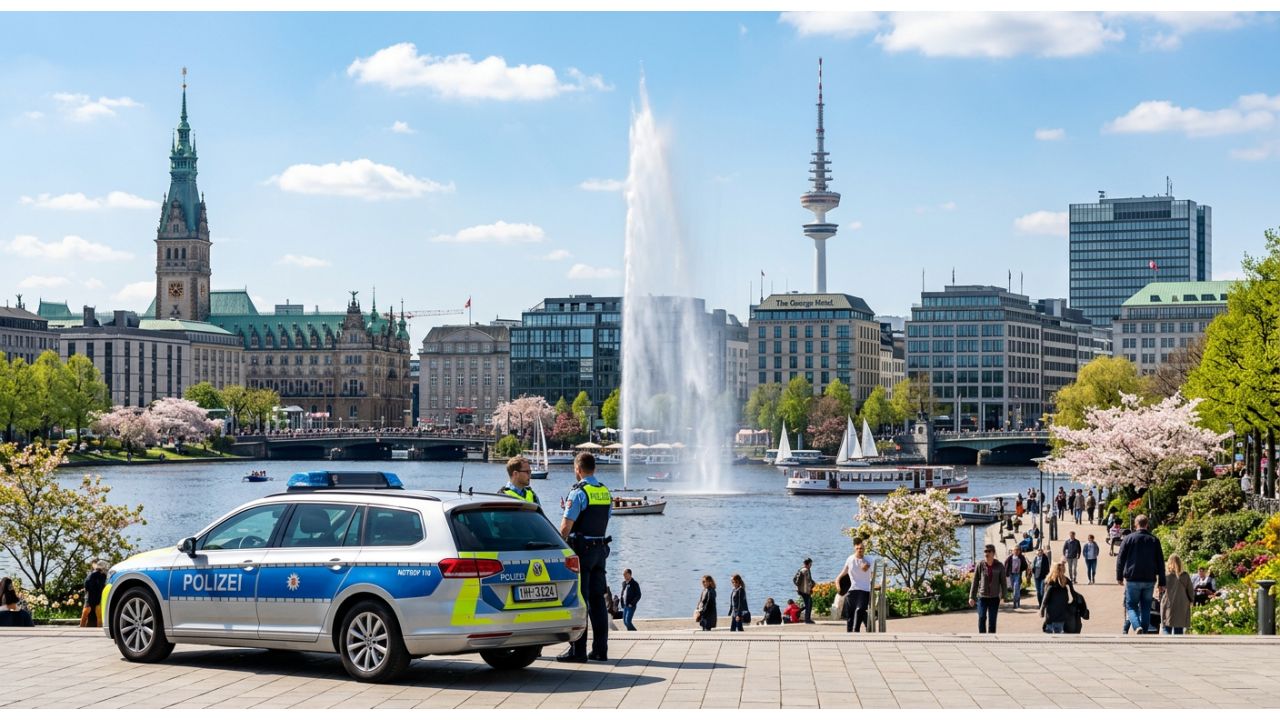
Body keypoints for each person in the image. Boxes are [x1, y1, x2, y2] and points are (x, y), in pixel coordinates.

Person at [558, 452, 611, 662]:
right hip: (600, 550)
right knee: (598, 601)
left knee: (580, 599)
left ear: (578, 470)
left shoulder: (578, 492)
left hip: (581, 552)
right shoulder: (604, 491)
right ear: (594, 469)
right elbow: (606, 517)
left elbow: (565, 527)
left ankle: (577, 650)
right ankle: (600, 649)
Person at [1116, 514, 1166, 635]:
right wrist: (1162, 582)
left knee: (1131, 605)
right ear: (1147, 524)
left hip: (1133, 578)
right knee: (1146, 606)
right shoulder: (1154, 540)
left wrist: (1119, 576)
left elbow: (1120, 558)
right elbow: (1160, 562)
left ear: (1135, 524)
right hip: (1149, 579)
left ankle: (1137, 626)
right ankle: (1143, 632)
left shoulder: (1128, 539)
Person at [836, 540, 874, 632]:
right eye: (857, 548)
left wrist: (865, 564)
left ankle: (856, 630)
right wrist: (837, 582)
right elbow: (843, 572)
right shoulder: (850, 559)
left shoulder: (869, 559)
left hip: (864, 590)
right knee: (850, 614)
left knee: (860, 609)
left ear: (864, 549)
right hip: (852, 590)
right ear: (854, 548)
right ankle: (849, 632)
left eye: (861, 548)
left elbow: (867, 568)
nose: (859, 550)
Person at [969, 544, 1007, 634]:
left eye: (989, 551)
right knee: (982, 617)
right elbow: (975, 582)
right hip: (982, 597)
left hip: (994, 598)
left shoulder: (999, 566)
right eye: (985, 551)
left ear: (993, 553)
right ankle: (982, 638)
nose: (987, 553)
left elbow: (1003, 583)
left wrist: (1004, 596)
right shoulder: (980, 565)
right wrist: (971, 597)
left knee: (992, 620)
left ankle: (991, 639)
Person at [1160, 554, 1194, 635]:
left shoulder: (1166, 575)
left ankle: (1166, 645)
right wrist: (1191, 600)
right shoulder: (1185, 575)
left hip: (1168, 603)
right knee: (1179, 629)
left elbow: (1160, 589)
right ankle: (1178, 646)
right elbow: (1190, 590)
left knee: (1166, 627)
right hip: (1182, 604)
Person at [1039, 561, 1074, 633]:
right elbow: (1070, 595)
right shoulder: (1065, 581)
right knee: (1059, 634)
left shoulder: (1049, 582)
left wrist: (1042, 609)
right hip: (1061, 614)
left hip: (1051, 614)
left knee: (1050, 636)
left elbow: (1045, 598)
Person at [81, 559, 108, 628]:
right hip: (97, 598)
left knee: (85, 615)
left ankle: (81, 628)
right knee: (99, 616)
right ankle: (99, 629)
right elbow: (103, 587)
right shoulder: (103, 576)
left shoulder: (91, 574)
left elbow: (86, 585)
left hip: (89, 598)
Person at [793, 558, 816, 624]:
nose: (811, 565)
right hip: (805, 590)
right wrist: (813, 585)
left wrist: (798, 588)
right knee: (809, 604)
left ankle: (806, 617)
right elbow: (809, 581)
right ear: (808, 564)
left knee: (808, 603)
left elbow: (795, 580)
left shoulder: (801, 569)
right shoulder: (806, 571)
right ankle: (807, 620)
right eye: (811, 564)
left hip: (801, 590)